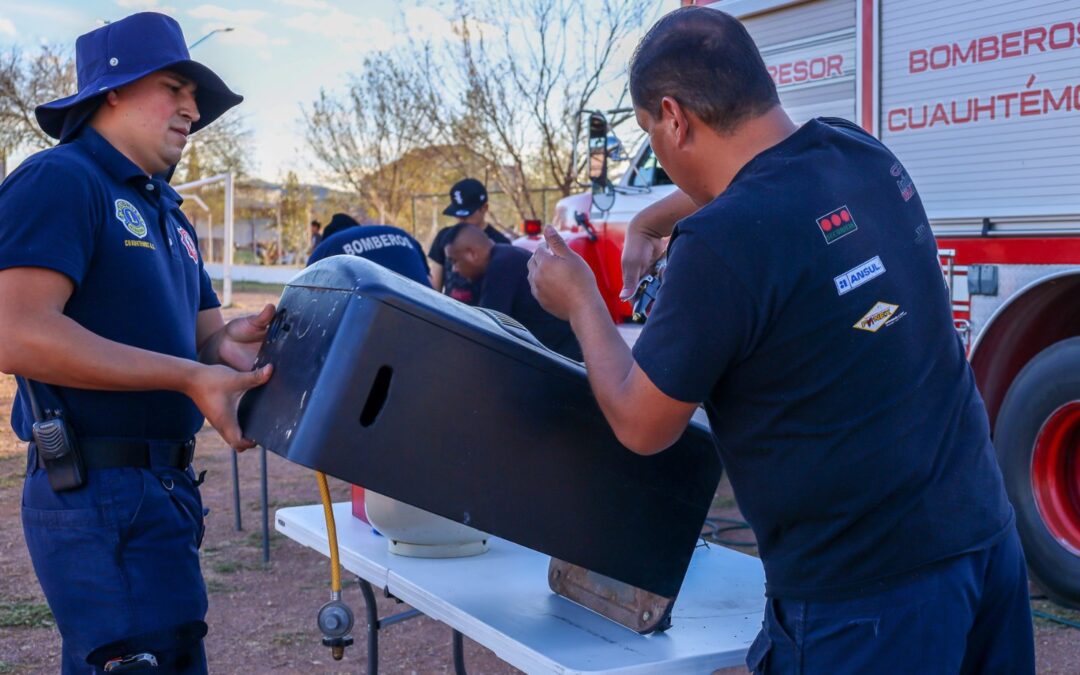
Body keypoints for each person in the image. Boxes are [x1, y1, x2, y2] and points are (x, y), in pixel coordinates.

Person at [527, 7, 1033, 674]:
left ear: (674, 118)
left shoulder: (720, 243)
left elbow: (641, 422)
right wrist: (655, 214)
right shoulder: (855, 149)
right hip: (983, 545)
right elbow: (770, 179)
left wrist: (581, 297)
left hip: (866, 604)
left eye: (653, 133)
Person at [0, 13, 275, 673]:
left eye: (195, 96)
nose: (192, 108)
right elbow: (16, 330)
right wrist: (186, 376)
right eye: (175, 87)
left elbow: (206, 334)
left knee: (174, 657)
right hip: (97, 488)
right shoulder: (62, 179)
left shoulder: (168, 208)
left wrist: (231, 346)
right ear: (112, 90)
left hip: (166, 485)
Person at [446, 224, 581, 360]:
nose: (454, 269)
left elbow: (487, 330)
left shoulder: (502, 266)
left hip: (564, 360)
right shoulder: (504, 256)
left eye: (455, 261)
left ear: (472, 254)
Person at [428, 178, 510, 302]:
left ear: (484, 208)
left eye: (466, 215)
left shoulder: (500, 243)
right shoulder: (445, 237)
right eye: (457, 215)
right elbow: (434, 286)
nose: (461, 220)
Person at [308, 215, 430, 286]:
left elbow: (306, 293)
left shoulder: (325, 248)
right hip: (433, 316)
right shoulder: (402, 235)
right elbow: (430, 281)